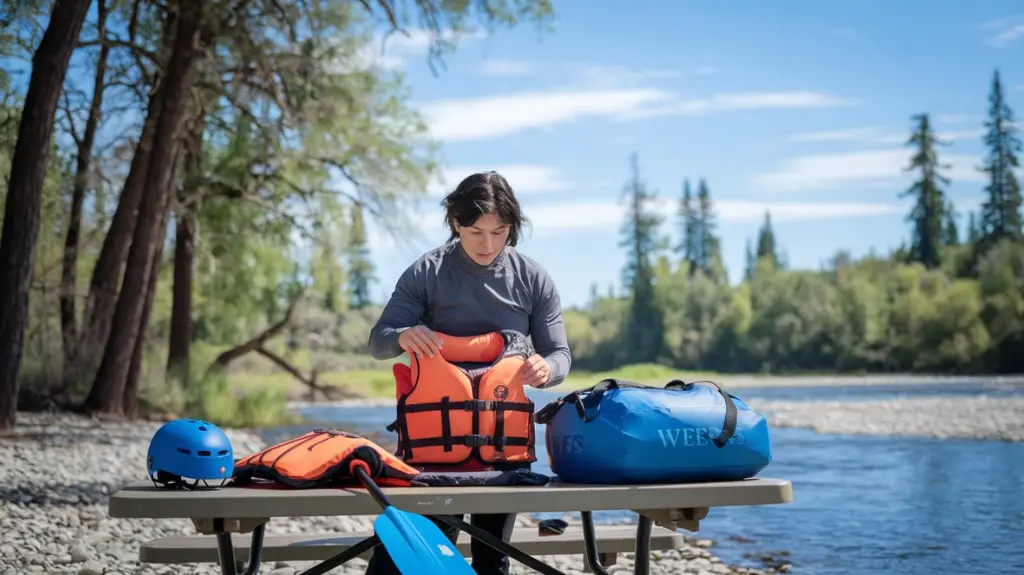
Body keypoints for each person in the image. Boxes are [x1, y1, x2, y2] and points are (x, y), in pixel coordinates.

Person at [365, 170, 572, 575]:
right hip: (432, 459)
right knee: (406, 562)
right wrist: (405, 336)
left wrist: (546, 368)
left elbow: (560, 354)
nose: (488, 244)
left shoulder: (533, 278)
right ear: (455, 222)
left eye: (500, 232)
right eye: (476, 231)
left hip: (504, 458)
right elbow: (378, 341)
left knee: (491, 562)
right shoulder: (427, 272)